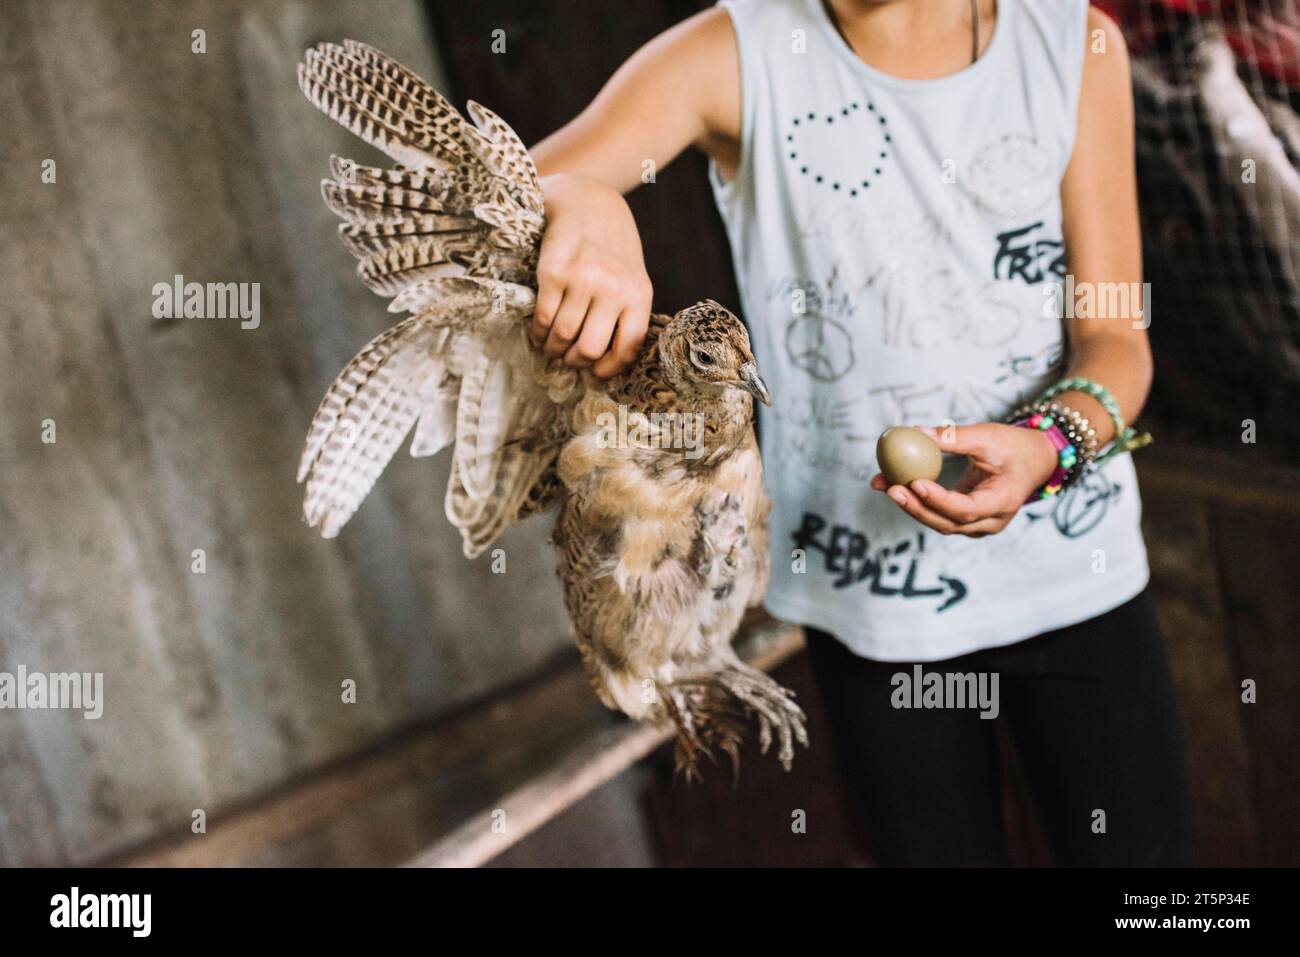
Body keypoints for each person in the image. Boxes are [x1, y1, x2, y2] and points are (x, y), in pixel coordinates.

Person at [528, 0, 1192, 866]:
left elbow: (1116, 340)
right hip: (876, 617)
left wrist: (1048, 444)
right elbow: (510, 189)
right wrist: (589, 201)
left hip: (1075, 581)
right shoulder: (734, 55)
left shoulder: (1072, 44)